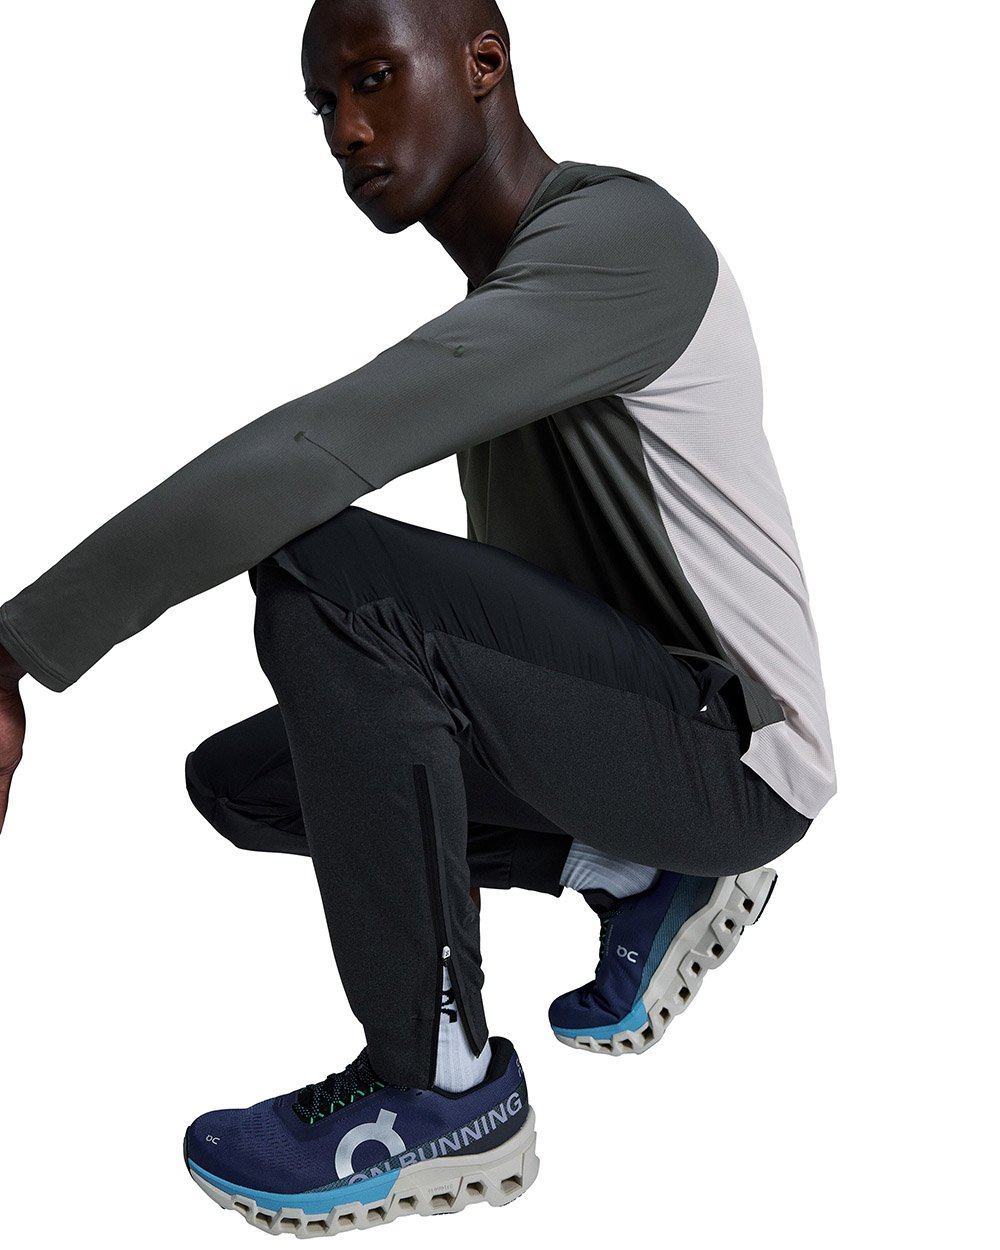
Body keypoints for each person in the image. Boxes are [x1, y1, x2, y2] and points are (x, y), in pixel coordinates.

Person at [0, 0, 837, 1236]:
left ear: (483, 63)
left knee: (325, 567)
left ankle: (437, 1088)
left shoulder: (622, 241)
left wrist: (19, 647)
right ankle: (631, 871)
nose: (346, 129)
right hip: (626, 729)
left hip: (733, 755)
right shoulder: (516, 297)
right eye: (323, 104)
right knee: (246, 781)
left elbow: (316, 450)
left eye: (374, 78)